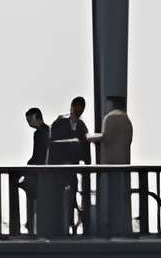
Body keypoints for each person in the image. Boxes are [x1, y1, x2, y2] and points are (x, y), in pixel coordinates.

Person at [48, 96, 91, 233]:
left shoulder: (81, 126)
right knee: (60, 196)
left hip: (72, 167)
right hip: (59, 167)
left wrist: (87, 164)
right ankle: (62, 224)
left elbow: (85, 147)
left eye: (81, 109)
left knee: (72, 193)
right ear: (71, 107)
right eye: (76, 108)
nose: (78, 111)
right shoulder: (61, 122)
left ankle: (70, 223)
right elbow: (52, 144)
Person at [94, 96, 132, 235]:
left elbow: (106, 136)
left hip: (110, 163)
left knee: (111, 195)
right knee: (122, 194)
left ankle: (109, 225)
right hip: (124, 162)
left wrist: (90, 137)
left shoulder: (110, 118)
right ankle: (123, 224)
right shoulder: (126, 119)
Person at [17, 105, 48, 233]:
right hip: (43, 172)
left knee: (31, 194)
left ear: (36, 117)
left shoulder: (40, 133)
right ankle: (32, 223)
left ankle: (30, 224)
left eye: (29, 120)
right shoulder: (48, 131)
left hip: (39, 173)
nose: (29, 123)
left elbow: (37, 155)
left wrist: (26, 168)